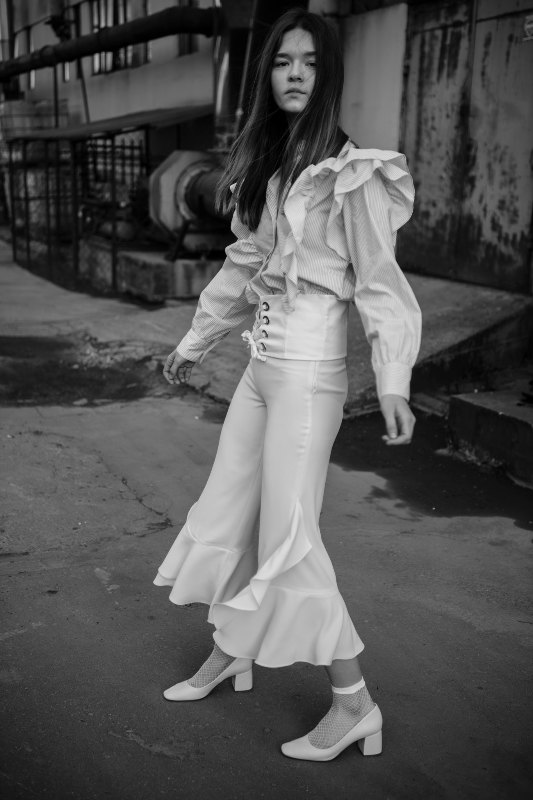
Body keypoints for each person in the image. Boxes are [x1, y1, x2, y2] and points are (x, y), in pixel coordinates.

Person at [155, 8, 421, 762]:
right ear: (266, 75)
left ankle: (354, 703)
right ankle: (231, 651)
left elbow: (379, 282)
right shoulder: (272, 164)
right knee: (231, 509)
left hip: (308, 376)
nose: (295, 72)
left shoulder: (350, 172)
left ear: (326, 72)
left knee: (290, 537)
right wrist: (196, 340)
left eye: (308, 61)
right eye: (281, 61)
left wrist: (393, 378)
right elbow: (245, 263)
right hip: (260, 370)